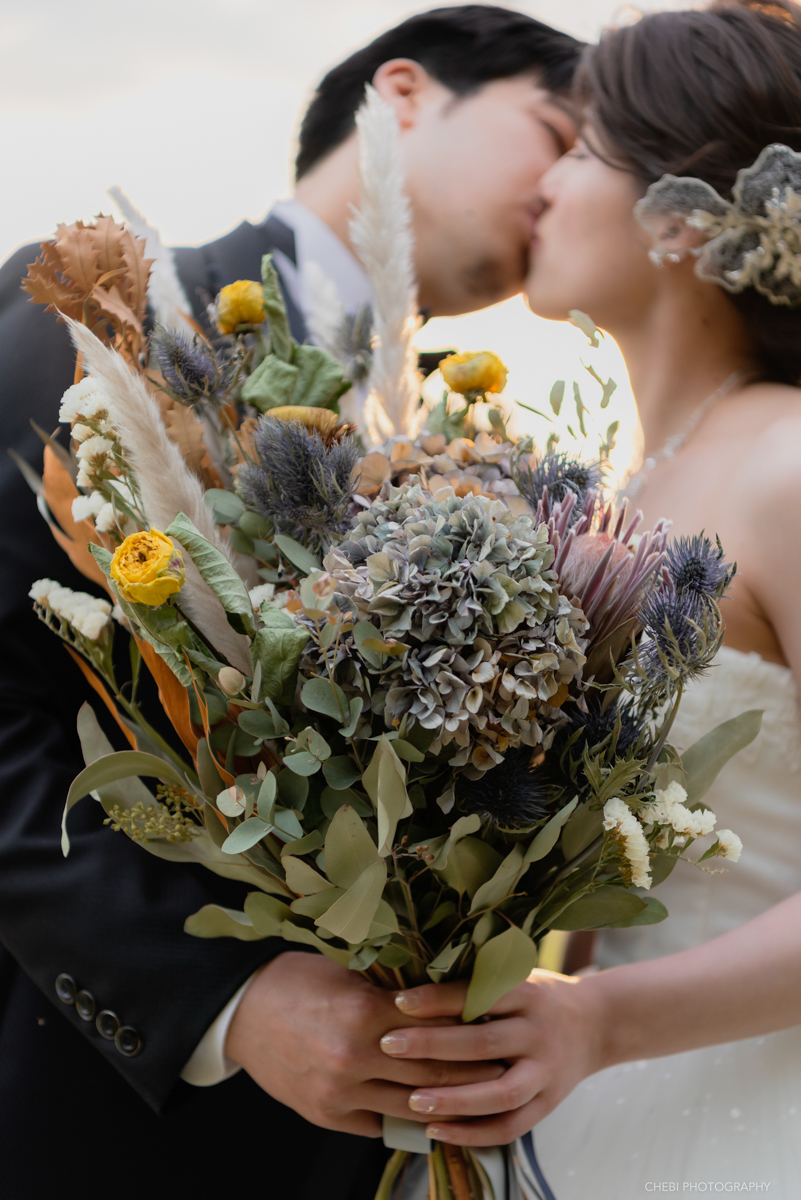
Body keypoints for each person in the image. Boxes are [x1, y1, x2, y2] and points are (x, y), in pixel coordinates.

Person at [0, 7, 581, 1197]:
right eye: (558, 131)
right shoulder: (95, 319)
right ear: (405, 95)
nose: (575, 181)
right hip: (123, 1138)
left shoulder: (478, 437)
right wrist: (222, 997)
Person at [370, 2, 801, 1193]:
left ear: (680, 212)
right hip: (574, 1109)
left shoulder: (791, 467)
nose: (544, 187)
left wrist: (602, 1021)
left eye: (581, 147)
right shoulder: (621, 490)